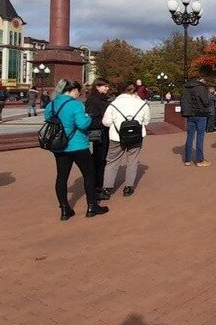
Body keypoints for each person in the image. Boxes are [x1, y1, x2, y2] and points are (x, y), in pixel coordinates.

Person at [45, 79, 108, 220]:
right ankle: (92, 206)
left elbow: (49, 120)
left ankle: (65, 209)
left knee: (61, 177)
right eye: (78, 91)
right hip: (78, 144)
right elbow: (83, 124)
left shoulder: (51, 105)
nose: (79, 94)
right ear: (73, 90)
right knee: (89, 174)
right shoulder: (76, 105)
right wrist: (87, 118)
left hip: (59, 146)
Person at [101, 82, 150, 197]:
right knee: (132, 161)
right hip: (136, 137)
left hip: (117, 137)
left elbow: (106, 122)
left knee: (112, 161)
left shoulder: (113, 104)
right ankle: (128, 187)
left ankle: (107, 188)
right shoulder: (142, 104)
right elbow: (146, 121)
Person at [85, 78, 112, 198]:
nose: (107, 88)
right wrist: (107, 122)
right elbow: (92, 120)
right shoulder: (92, 100)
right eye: (105, 86)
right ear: (97, 86)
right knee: (99, 159)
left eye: (107, 86)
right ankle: (97, 187)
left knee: (102, 159)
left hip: (104, 133)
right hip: (98, 134)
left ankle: (99, 184)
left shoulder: (103, 99)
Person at [180, 76, 212, 167]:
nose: (205, 82)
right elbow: (205, 102)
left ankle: (187, 160)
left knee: (190, 136)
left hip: (190, 114)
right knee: (200, 136)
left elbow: (183, 100)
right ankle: (199, 160)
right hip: (200, 114)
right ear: (200, 80)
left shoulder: (185, 88)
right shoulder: (201, 88)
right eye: (204, 80)